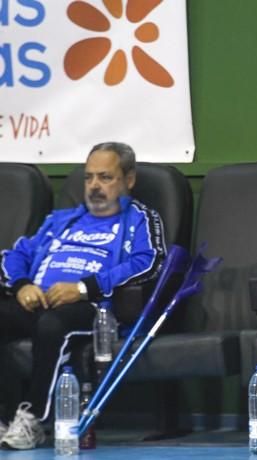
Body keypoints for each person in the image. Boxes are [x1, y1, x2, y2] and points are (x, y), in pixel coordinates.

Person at [0, 142, 166, 450]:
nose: (94, 186)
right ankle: (6, 418)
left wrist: (83, 288)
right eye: (89, 178)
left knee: (51, 326)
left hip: (93, 308)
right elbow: (14, 254)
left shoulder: (139, 219)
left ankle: (34, 420)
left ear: (128, 180)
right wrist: (22, 284)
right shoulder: (61, 220)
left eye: (105, 177)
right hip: (39, 299)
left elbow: (149, 263)